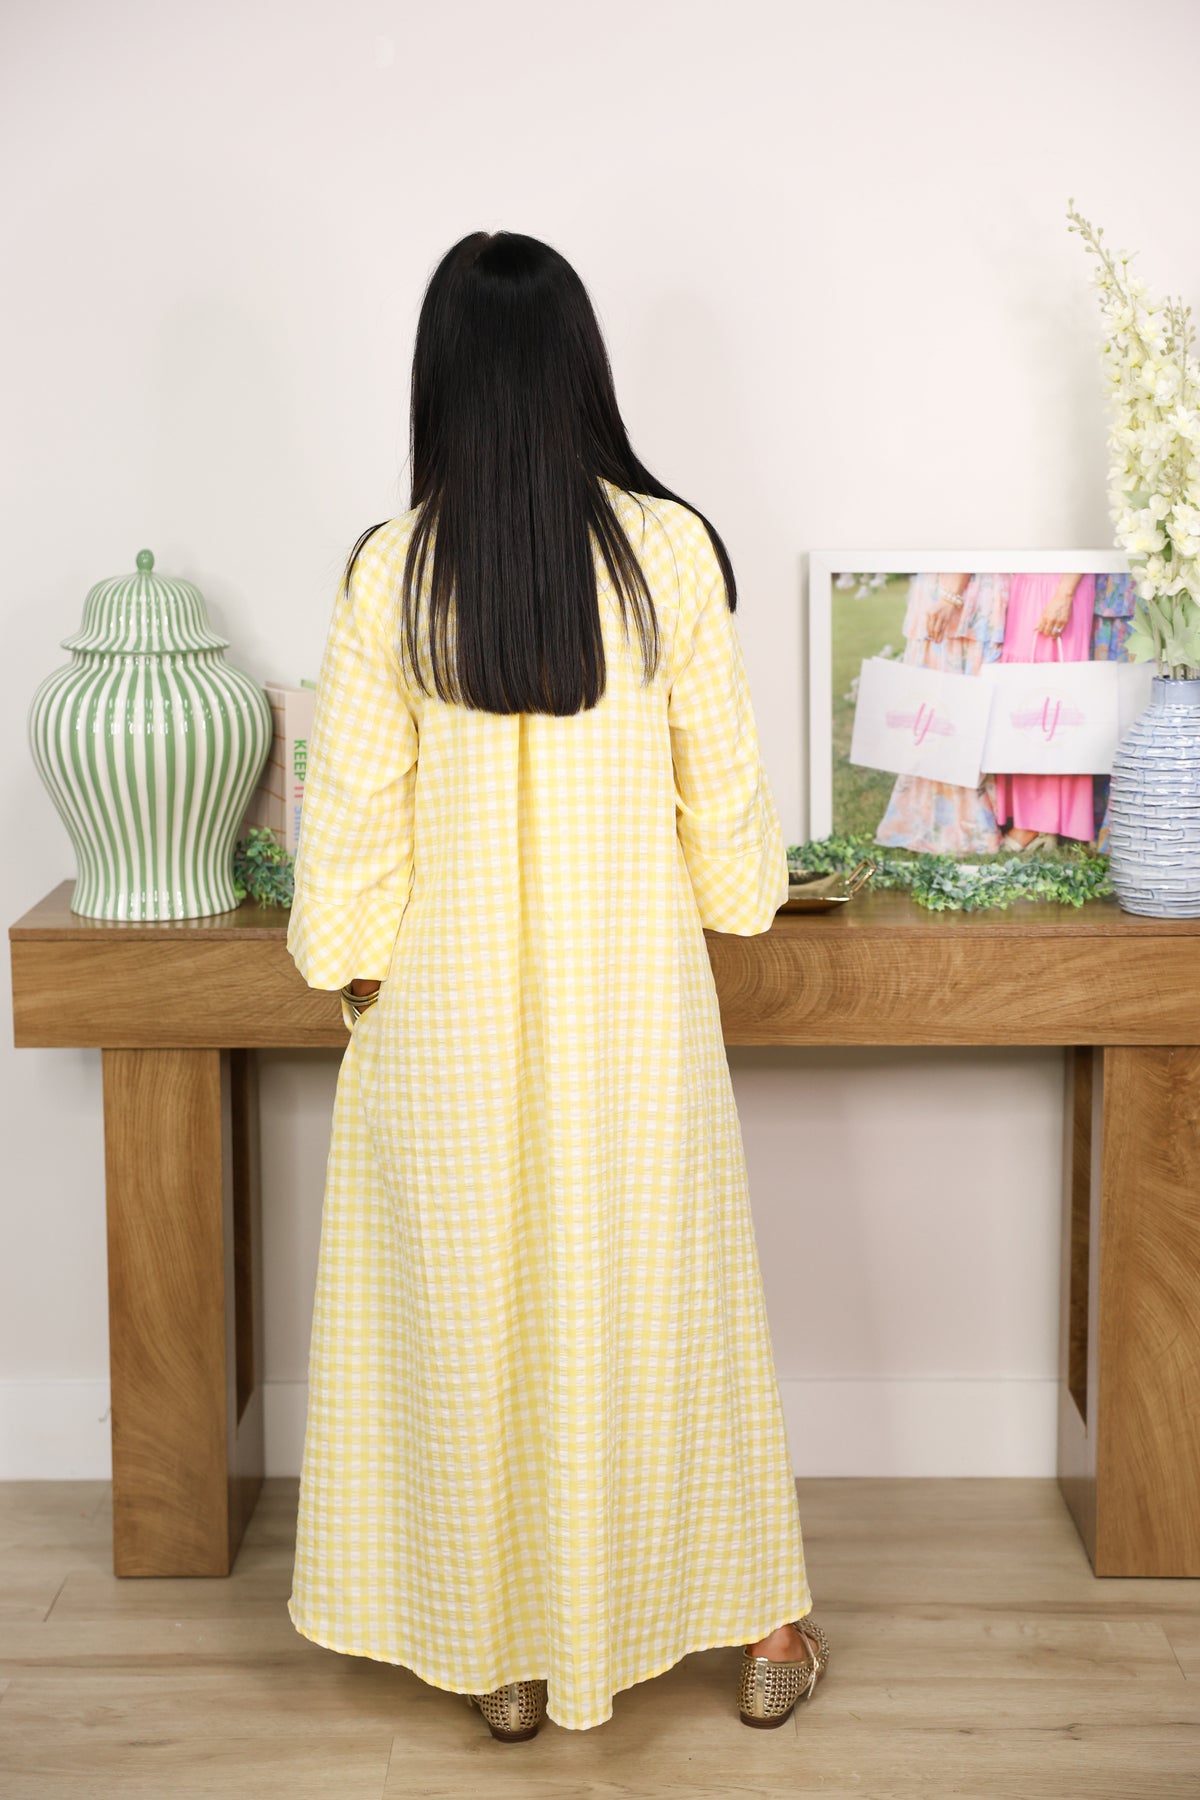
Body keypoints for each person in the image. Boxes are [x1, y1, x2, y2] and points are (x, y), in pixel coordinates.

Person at [284, 231, 829, 1739]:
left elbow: (350, 849)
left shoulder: (395, 571)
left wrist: (356, 983)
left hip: (445, 1035)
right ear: (583, 367)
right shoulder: (670, 554)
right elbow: (736, 847)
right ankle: (769, 1626)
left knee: (477, 1327)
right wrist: (733, 893)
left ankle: (509, 1654)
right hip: (635, 1027)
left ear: (441, 379)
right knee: (671, 1321)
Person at [874, 570, 1009, 853]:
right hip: (942, 589)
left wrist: (950, 596)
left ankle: (960, 818)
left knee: (955, 705)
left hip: (962, 595)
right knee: (934, 706)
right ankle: (932, 813)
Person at [991, 572, 1097, 851]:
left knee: (1053, 699)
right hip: (1025, 581)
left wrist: (1064, 594)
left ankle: (1040, 822)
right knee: (1023, 695)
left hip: (1057, 584)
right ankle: (1025, 815)